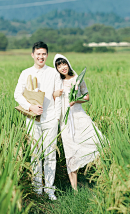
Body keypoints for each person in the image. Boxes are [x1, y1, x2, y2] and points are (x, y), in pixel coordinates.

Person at [14, 41, 61, 200]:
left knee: (50, 153)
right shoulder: (25, 73)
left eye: (44, 54)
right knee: (35, 153)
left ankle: (49, 189)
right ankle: (37, 189)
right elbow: (17, 95)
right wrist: (30, 107)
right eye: (38, 54)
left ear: (47, 55)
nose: (41, 57)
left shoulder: (54, 73)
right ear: (33, 55)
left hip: (50, 118)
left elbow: (57, 94)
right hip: (32, 119)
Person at [53, 54, 104, 191]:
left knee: (97, 141)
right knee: (70, 151)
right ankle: (75, 190)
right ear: (56, 68)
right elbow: (52, 98)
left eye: (64, 64)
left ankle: (102, 178)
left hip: (79, 116)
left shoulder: (77, 79)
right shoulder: (57, 82)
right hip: (65, 120)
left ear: (68, 64)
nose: (62, 67)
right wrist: (54, 94)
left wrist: (76, 100)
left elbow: (86, 96)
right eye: (59, 65)